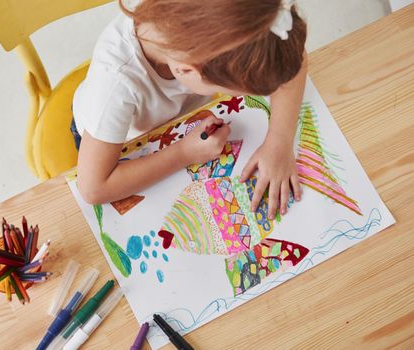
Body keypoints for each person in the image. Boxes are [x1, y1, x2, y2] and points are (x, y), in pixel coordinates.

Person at [72, 0, 306, 221]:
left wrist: (279, 142)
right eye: (236, 92)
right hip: (119, 144)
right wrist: (184, 153)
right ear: (185, 71)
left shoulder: (199, 27)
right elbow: (94, 188)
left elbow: (290, 63)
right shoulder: (115, 86)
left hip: (185, 122)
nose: (241, 98)